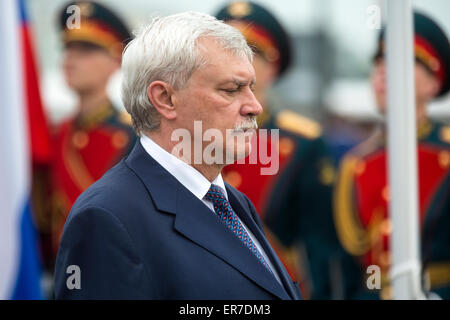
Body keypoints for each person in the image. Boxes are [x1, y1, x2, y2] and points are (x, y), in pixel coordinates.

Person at [53, 11, 302, 300]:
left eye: (251, 88)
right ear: (165, 99)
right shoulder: (108, 218)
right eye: (231, 89)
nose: (254, 106)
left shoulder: (231, 201)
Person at [216, 1, 340, 299]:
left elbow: (320, 252)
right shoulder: (187, 136)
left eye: (251, 51)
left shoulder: (302, 144)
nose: (236, 59)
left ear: (273, 67)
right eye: (224, 49)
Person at [334, 11, 450, 299]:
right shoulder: (358, 163)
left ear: (433, 84)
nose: (384, 71)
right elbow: (346, 266)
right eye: (379, 63)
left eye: (403, 62)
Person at [49, 1, 136, 263]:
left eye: (86, 49)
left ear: (116, 60)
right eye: (68, 47)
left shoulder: (135, 137)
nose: (70, 58)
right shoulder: (55, 134)